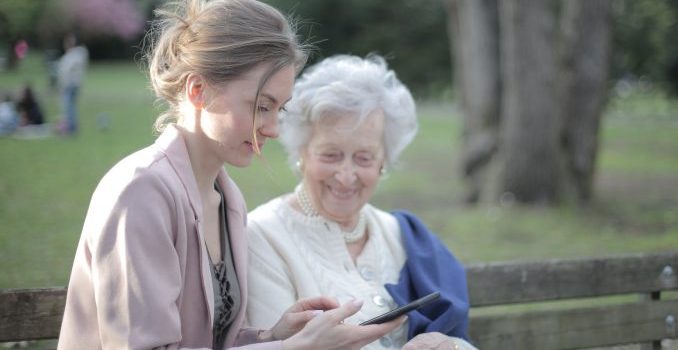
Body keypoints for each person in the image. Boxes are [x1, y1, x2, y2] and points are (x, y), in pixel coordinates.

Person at [58, 1, 403, 349]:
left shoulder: (227, 198)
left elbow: (212, 340)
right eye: (261, 107)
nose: (273, 129)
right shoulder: (140, 193)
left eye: (279, 109)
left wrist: (275, 334)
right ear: (198, 90)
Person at [245, 55, 477, 350]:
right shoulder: (263, 236)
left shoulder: (403, 234)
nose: (345, 176)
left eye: (364, 158)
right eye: (330, 155)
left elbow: (461, 339)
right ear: (301, 153)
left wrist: (451, 346)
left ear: (383, 162)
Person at [56, 32, 88, 134]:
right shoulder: (77, 55)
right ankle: (71, 127)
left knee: (69, 107)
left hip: (70, 85)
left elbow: (65, 72)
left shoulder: (73, 56)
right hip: (74, 85)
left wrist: (62, 85)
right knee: (71, 107)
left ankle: (71, 128)